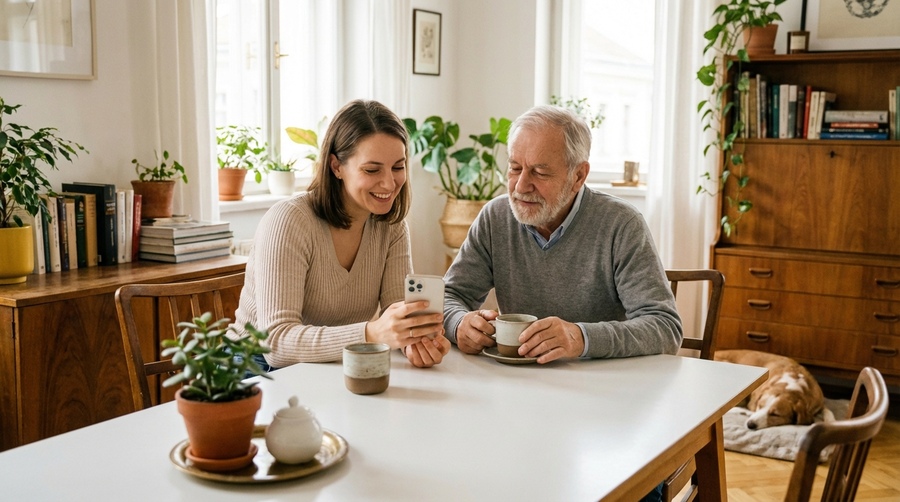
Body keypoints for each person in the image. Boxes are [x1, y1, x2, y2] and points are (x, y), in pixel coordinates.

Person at [443, 105, 683, 364]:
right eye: (514, 168)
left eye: (540, 172)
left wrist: (580, 337)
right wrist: (459, 324)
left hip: (603, 387)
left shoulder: (621, 224)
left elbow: (665, 327)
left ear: (578, 176)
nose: (521, 186)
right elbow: (450, 295)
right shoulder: (495, 217)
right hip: (516, 383)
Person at [232, 99, 450, 370]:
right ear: (336, 167)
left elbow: (397, 314)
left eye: (398, 167)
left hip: (331, 364)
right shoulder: (289, 220)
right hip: (252, 367)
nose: (389, 183)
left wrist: (414, 342)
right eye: (372, 170)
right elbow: (276, 344)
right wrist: (371, 334)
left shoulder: (391, 225)